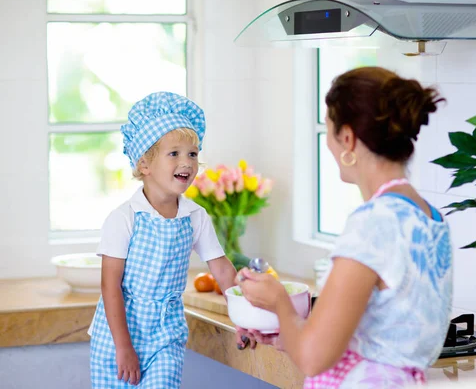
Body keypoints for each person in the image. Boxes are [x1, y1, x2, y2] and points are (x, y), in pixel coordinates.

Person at [236, 66, 453, 388]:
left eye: (329, 131)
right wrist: (291, 331)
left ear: (348, 138)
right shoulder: (431, 218)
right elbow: (379, 335)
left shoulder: (373, 223)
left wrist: (280, 303)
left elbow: (312, 358)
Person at [88, 92, 239, 388]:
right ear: (144, 164)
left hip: (166, 335)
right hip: (117, 336)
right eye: (175, 154)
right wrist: (124, 347)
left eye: (193, 154)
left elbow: (222, 270)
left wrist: (244, 318)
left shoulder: (195, 216)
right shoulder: (124, 218)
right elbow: (110, 286)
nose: (187, 162)